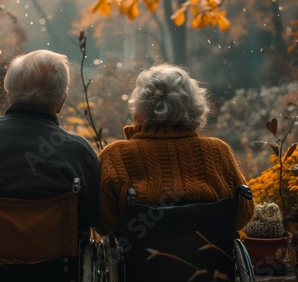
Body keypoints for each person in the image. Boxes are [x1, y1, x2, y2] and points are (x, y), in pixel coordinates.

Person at [0, 49, 100, 280]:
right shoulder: (78, 152)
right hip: (56, 273)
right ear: (60, 103)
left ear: (9, 94)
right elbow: (92, 218)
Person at [98, 63, 254, 233]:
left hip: (140, 258)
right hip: (210, 257)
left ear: (140, 106)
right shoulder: (217, 151)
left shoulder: (117, 156)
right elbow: (243, 213)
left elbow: (104, 222)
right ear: (194, 105)